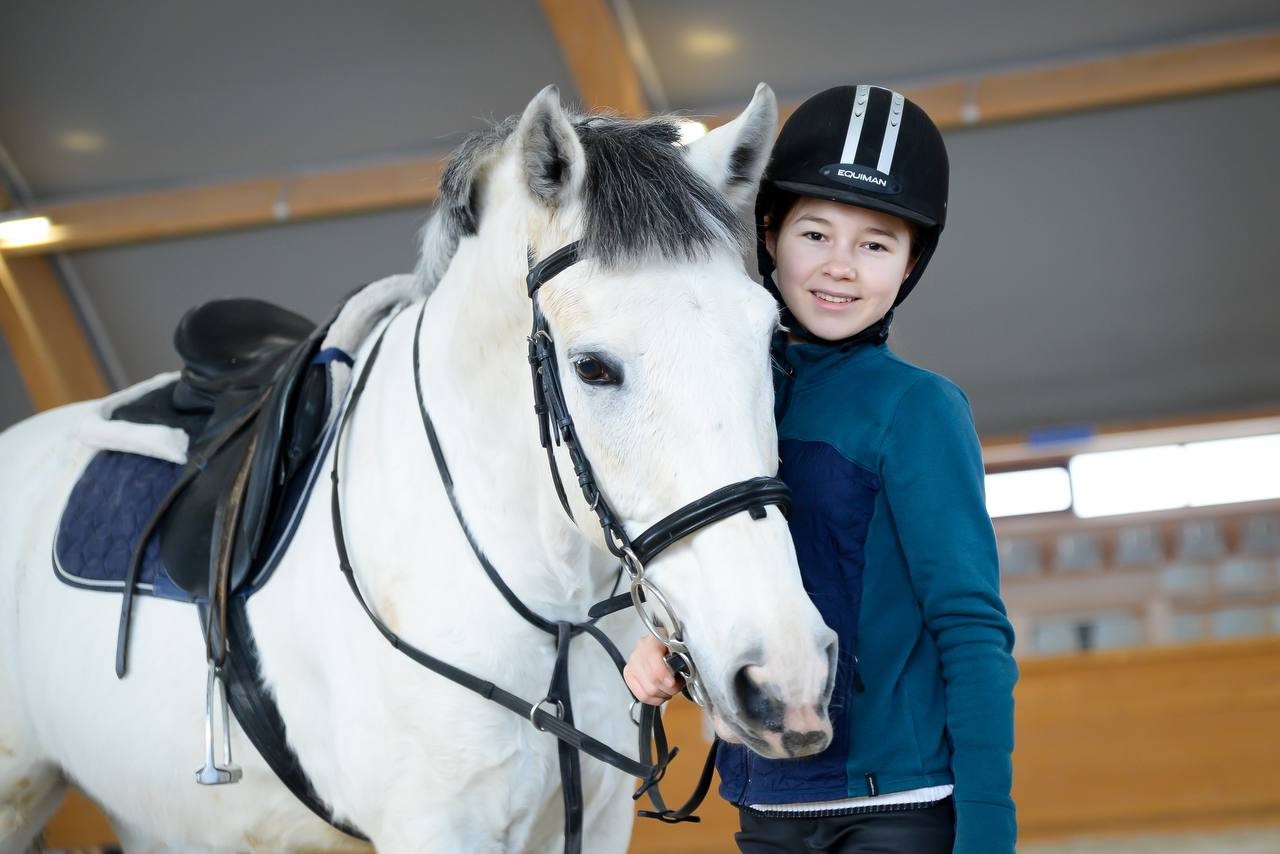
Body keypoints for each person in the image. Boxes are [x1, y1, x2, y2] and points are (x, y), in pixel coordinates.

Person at [624, 85, 1018, 854]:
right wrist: (661, 646)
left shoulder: (920, 410)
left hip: (894, 810)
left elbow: (971, 631)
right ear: (769, 235)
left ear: (909, 266)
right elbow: (714, 569)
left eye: (875, 244)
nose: (840, 268)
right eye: (815, 234)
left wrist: (989, 833)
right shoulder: (726, 399)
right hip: (765, 807)